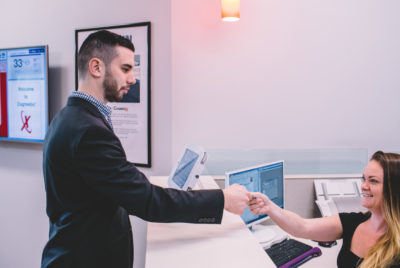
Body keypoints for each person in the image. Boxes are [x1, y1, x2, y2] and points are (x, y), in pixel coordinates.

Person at [41, 30, 251, 268]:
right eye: (126, 69)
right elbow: (147, 201)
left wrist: (142, 186)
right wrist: (221, 199)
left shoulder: (69, 118)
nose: (132, 79)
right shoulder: (89, 130)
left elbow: (113, 187)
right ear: (96, 67)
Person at [249, 151, 400, 268]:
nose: (364, 186)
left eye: (373, 181)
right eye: (364, 179)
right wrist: (269, 207)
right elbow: (302, 227)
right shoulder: (353, 222)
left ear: (393, 188)